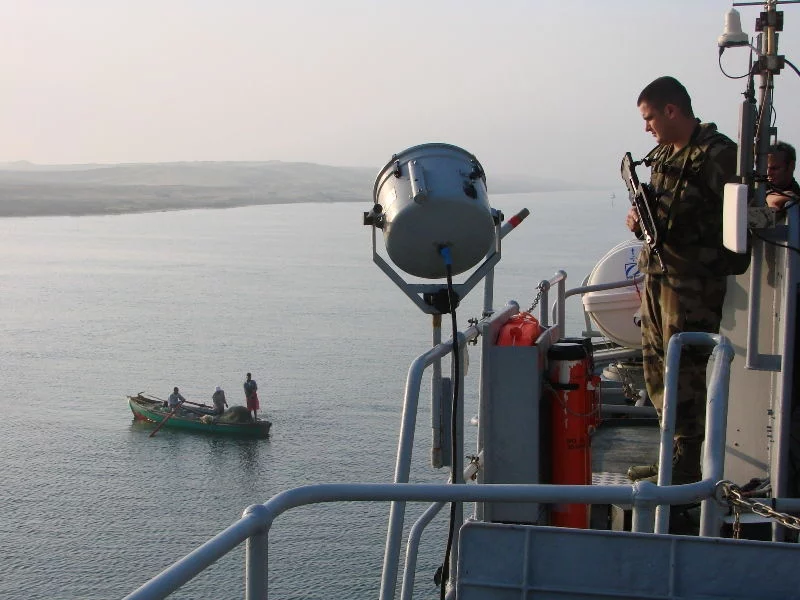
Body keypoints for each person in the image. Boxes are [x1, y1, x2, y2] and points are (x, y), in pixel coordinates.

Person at [625, 76, 739, 485]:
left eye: (650, 117)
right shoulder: (661, 155)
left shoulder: (717, 155)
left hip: (693, 283)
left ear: (672, 110)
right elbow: (662, 212)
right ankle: (670, 456)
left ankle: (688, 465)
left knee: (685, 370)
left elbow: (739, 219)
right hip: (659, 274)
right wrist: (640, 221)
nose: (647, 126)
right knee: (656, 365)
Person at [766, 141, 800, 210]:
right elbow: (772, 202)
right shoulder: (754, 192)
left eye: (774, 168)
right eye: (765, 168)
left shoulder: (796, 193)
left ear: (791, 166)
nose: (768, 173)